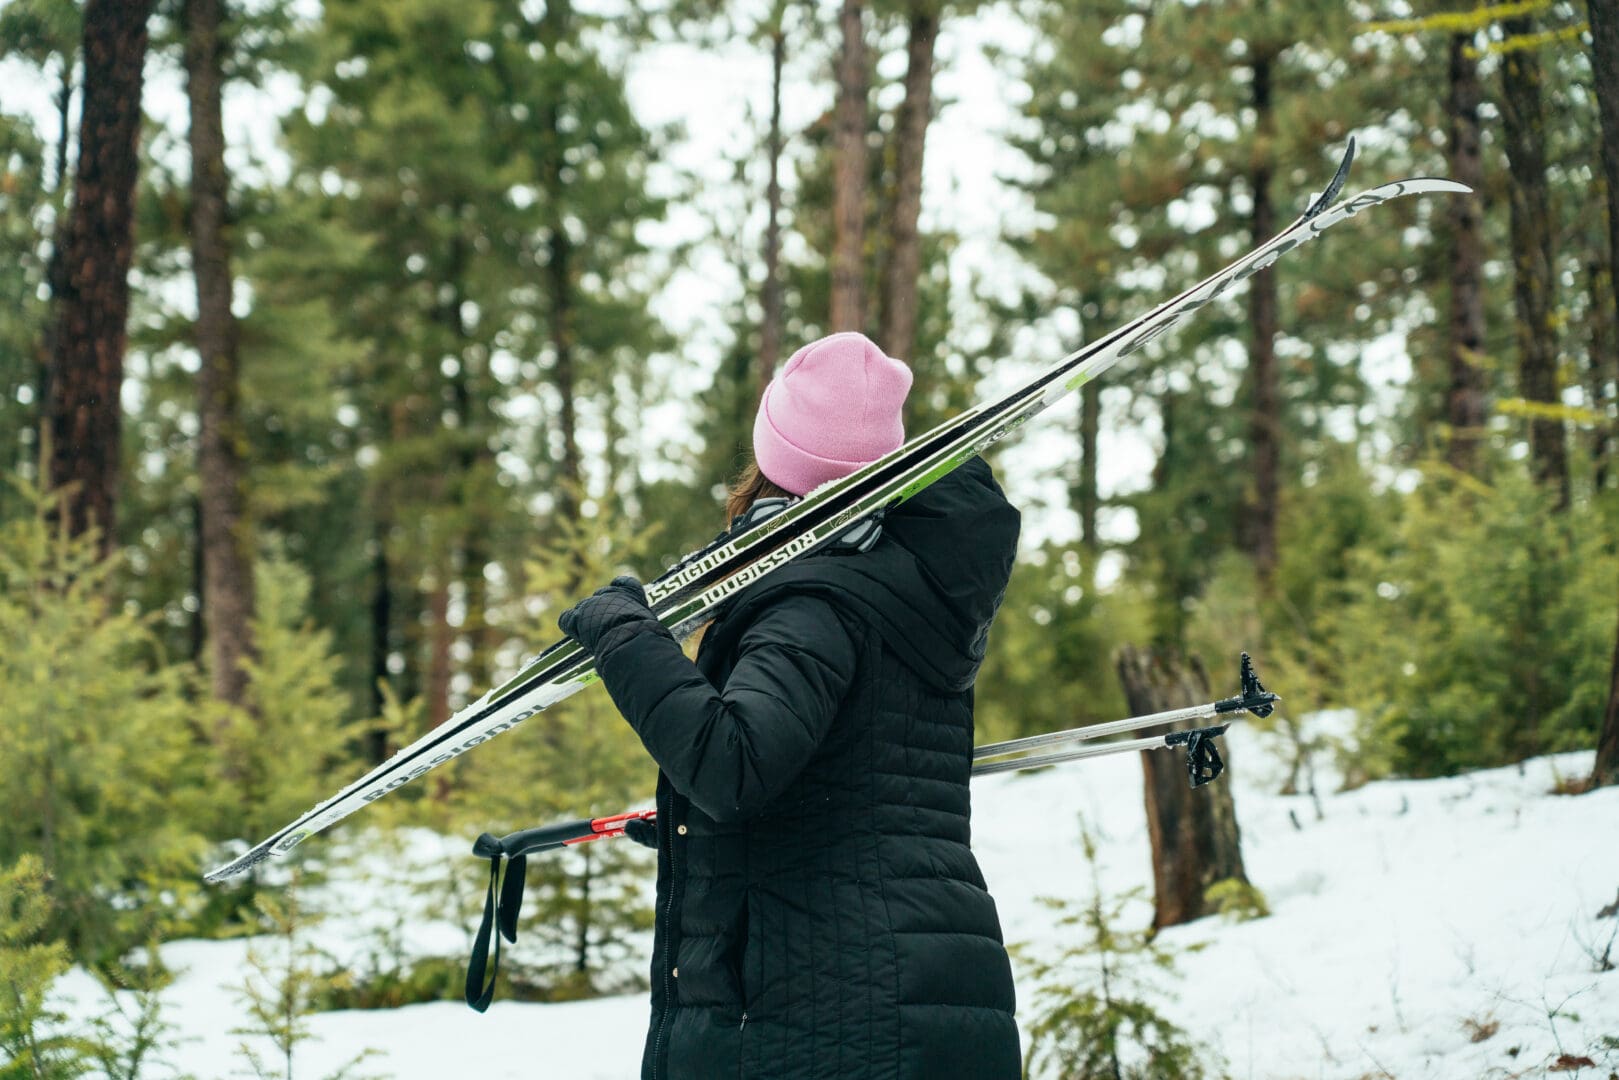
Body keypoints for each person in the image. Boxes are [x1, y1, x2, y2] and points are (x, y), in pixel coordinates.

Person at [559, 331, 1022, 1080]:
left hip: (828, 1017)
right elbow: (857, 773)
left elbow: (734, 765)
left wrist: (623, 636)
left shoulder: (814, 600)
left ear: (775, 463)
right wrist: (696, 837)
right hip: (927, 995)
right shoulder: (906, 580)